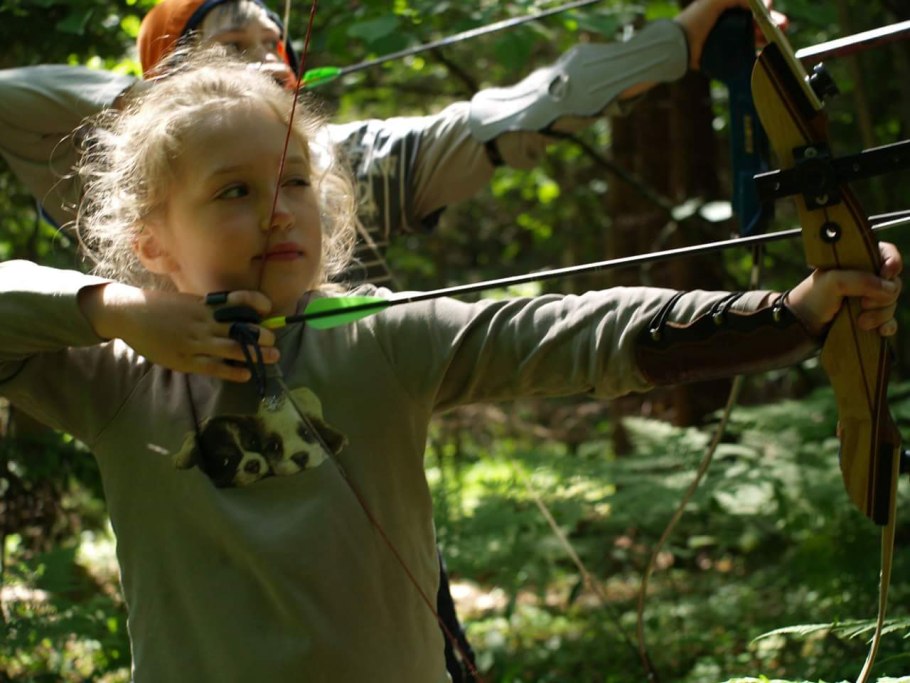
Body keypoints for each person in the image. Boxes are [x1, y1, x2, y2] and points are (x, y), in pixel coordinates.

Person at [0, 50, 901, 682]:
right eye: (234, 191)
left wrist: (790, 314)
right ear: (153, 241)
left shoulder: (379, 336)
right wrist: (113, 311)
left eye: (296, 184)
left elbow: (569, 333)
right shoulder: (112, 376)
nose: (279, 212)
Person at [0, 0, 764, 286]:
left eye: (275, 47)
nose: (270, 62)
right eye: (236, 45)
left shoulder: (351, 163)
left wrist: (682, 42)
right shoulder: (121, 186)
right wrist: (171, 105)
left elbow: (516, 115)